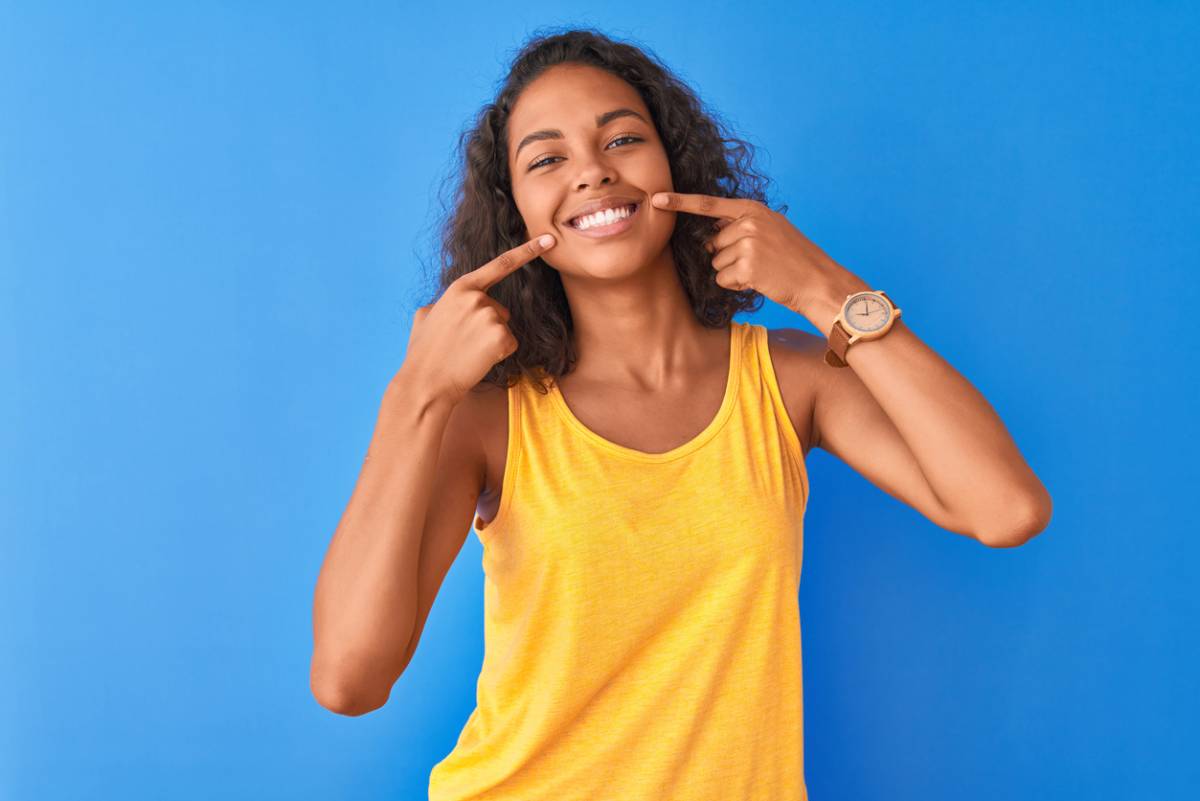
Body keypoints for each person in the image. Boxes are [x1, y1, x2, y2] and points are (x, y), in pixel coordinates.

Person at [310, 27, 1053, 801]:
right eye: (547, 159)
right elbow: (348, 679)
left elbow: (1005, 507)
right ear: (515, 214)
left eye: (622, 137)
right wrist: (414, 396)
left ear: (675, 163)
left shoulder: (789, 380)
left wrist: (826, 291)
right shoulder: (488, 419)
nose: (593, 172)